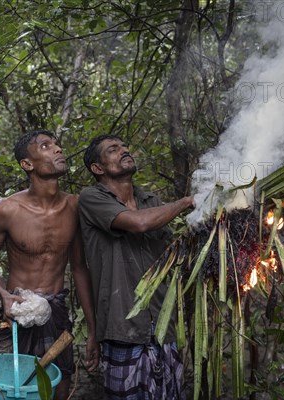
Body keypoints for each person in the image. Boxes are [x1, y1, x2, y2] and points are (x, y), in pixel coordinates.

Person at [0, 130, 99, 400]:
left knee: (60, 381)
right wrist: (5, 297)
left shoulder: (74, 206)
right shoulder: (7, 209)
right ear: (27, 164)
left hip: (56, 311)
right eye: (46, 146)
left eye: (57, 145)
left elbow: (79, 268)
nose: (57, 150)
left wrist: (92, 329)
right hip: (17, 313)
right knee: (9, 387)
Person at [78, 135, 194, 399]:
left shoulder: (151, 200)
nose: (124, 150)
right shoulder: (91, 198)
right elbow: (138, 224)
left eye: (125, 147)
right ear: (98, 168)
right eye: (113, 149)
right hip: (123, 326)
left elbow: (169, 253)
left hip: (163, 324)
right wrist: (186, 202)